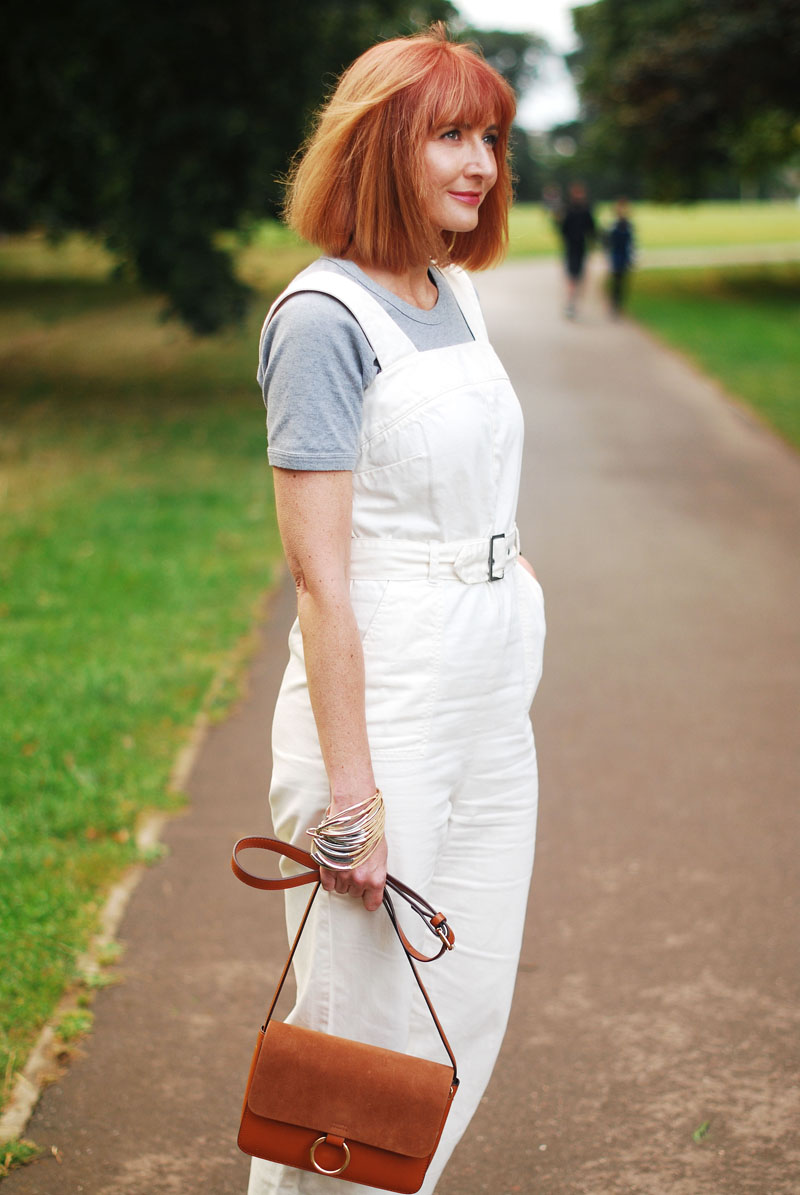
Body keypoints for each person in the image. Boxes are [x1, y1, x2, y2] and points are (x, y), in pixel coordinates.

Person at [250, 24, 546, 1195]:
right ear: (380, 147)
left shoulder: (454, 292)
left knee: (459, 1008)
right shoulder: (322, 321)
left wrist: (514, 578)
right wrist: (352, 797)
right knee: (351, 1043)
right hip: (391, 708)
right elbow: (321, 574)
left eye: (489, 136)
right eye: (449, 136)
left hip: (490, 693)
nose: (479, 162)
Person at [559, 181, 596, 318]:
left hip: (580, 248)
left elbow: (591, 229)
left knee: (578, 277)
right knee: (572, 277)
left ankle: (573, 302)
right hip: (571, 248)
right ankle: (571, 302)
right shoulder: (570, 210)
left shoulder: (584, 210)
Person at [606, 197, 635, 316]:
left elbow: (632, 243)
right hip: (615, 256)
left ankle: (619, 305)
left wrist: (632, 257)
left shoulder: (628, 225)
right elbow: (608, 243)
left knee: (623, 282)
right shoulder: (613, 225)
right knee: (616, 281)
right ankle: (614, 305)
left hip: (625, 256)